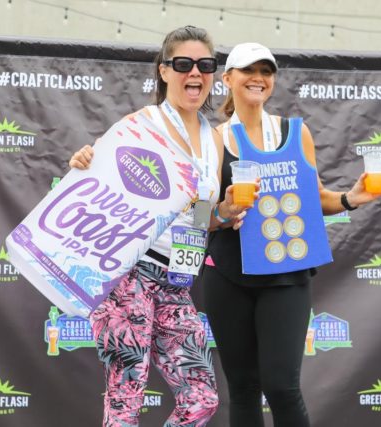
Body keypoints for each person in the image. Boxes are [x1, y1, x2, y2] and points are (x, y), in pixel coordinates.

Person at [201, 42, 381, 427]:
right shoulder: (213, 140)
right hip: (227, 272)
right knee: (243, 388)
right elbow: (195, 213)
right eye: (248, 70)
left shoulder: (294, 132)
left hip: (286, 273)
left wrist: (352, 198)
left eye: (266, 71)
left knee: (282, 386)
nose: (258, 78)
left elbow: (316, 198)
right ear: (227, 79)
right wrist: (223, 212)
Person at [68, 26, 246, 427]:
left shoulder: (213, 138)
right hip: (127, 272)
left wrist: (224, 212)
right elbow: (94, 180)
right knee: (125, 398)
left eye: (205, 65)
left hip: (176, 279)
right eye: (183, 64)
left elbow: (200, 218)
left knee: (200, 398)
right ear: (164, 71)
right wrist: (82, 161)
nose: (195, 73)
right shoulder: (142, 124)